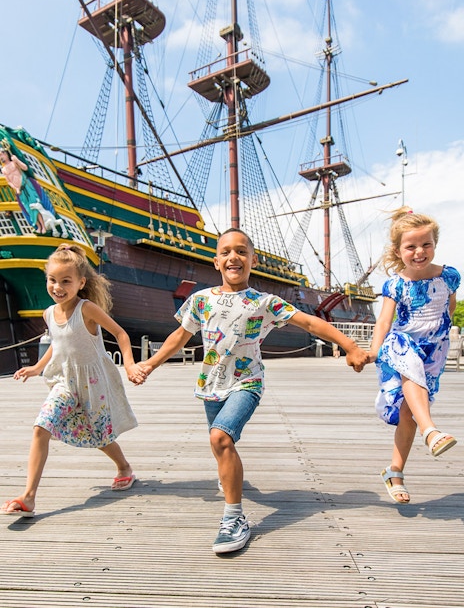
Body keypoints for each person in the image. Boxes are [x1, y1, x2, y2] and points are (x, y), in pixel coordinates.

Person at [137, 228, 368, 553]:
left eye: (242, 251)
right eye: (227, 252)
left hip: (248, 383)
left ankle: (234, 518)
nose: (234, 257)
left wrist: (350, 346)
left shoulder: (264, 303)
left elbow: (311, 323)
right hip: (211, 385)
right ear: (216, 261)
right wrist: (150, 365)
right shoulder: (201, 300)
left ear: (253, 260)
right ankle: (228, 476)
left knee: (220, 438)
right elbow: (179, 337)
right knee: (221, 447)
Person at [1, 244, 146, 517]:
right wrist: (36, 367)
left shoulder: (87, 309)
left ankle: (124, 467)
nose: (58, 287)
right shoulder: (48, 313)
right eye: (52, 280)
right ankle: (28, 496)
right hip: (65, 383)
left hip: (93, 385)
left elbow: (121, 335)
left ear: (81, 283)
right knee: (41, 426)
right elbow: (58, 344)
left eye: (66, 281)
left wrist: (129, 364)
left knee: (100, 436)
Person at [367, 207, 460, 504]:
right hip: (402, 343)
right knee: (411, 372)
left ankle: (395, 472)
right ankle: (431, 432)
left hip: (434, 348)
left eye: (426, 244)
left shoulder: (449, 276)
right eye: (411, 246)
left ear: (435, 244)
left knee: (409, 413)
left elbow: (450, 306)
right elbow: (384, 321)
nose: (420, 252)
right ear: (398, 250)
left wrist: (439, 333)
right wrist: (373, 350)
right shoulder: (395, 284)